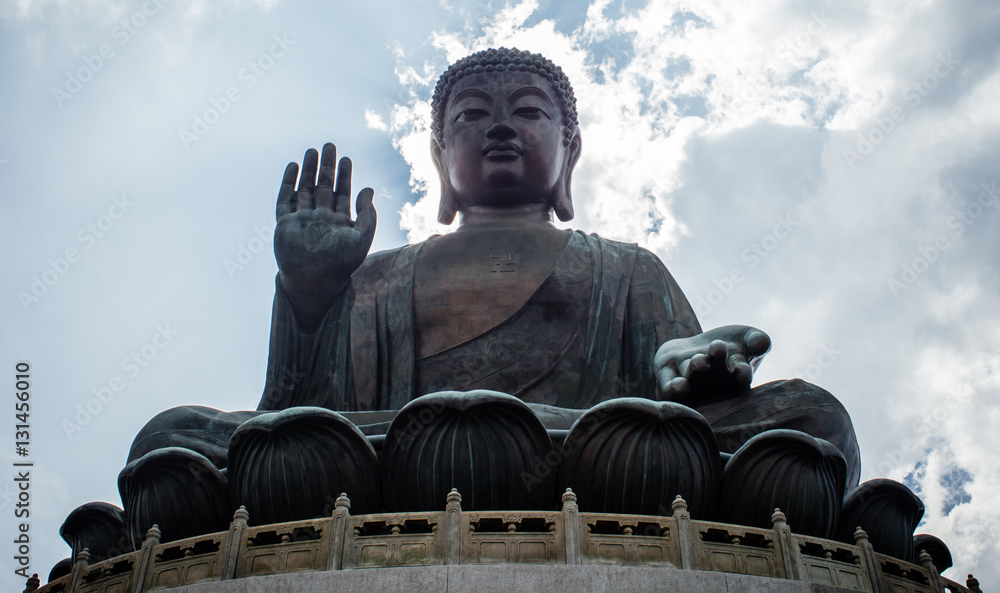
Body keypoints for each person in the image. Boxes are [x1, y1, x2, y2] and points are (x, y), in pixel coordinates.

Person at [125, 48, 859, 540]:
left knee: (813, 418)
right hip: (388, 451)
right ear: (441, 158)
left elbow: (674, 382)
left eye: (531, 112)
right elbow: (292, 413)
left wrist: (692, 368)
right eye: (471, 115)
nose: (502, 125)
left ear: (570, 151)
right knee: (172, 437)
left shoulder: (626, 266)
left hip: (592, 452)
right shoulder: (378, 275)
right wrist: (310, 294)